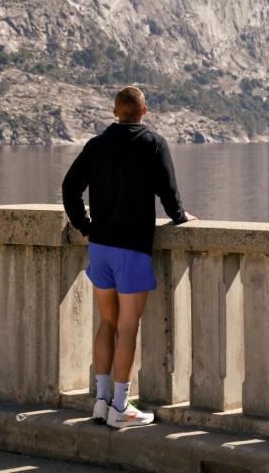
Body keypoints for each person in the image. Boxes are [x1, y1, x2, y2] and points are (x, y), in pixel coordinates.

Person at [62, 85, 195, 429]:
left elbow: (69, 188)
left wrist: (84, 225)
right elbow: (168, 192)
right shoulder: (153, 144)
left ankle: (101, 401)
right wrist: (181, 217)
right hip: (132, 249)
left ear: (114, 111)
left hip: (101, 248)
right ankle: (121, 406)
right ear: (144, 112)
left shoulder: (96, 145)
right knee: (128, 327)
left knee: (107, 323)